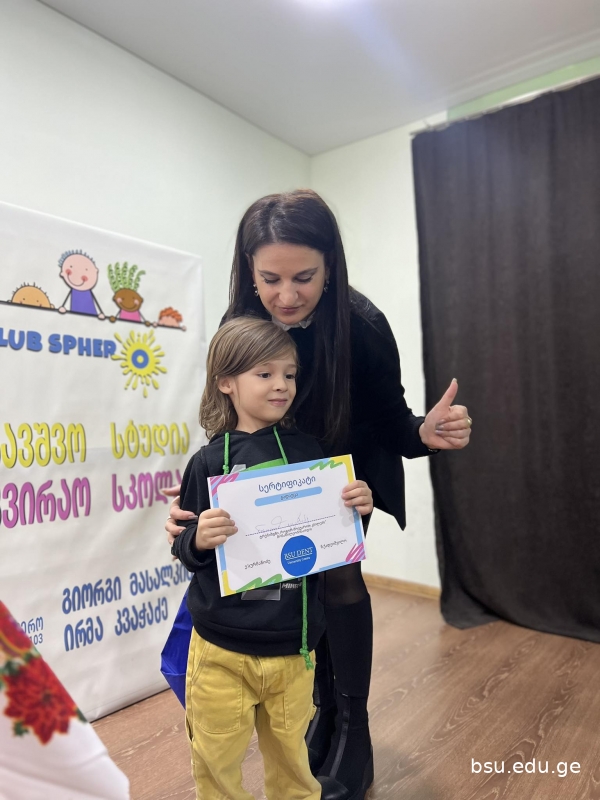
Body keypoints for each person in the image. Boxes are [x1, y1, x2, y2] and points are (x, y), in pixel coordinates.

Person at [166, 189, 472, 800]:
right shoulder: (240, 321)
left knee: (338, 582)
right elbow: (226, 421)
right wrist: (199, 497)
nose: (285, 296)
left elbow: (392, 421)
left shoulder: (363, 324)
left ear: (330, 265)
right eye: (269, 279)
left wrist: (424, 433)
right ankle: (319, 712)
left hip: (340, 481)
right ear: (248, 271)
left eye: (303, 277)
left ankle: (352, 726)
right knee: (292, 593)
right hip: (269, 480)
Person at [172, 316, 374, 800]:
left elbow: (332, 539)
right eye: (265, 374)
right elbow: (184, 546)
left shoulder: (311, 453)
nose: (282, 384)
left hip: (294, 647)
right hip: (221, 650)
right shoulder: (208, 462)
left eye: (290, 374)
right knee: (217, 761)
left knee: (292, 762)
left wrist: (356, 508)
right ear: (226, 382)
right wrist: (198, 540)